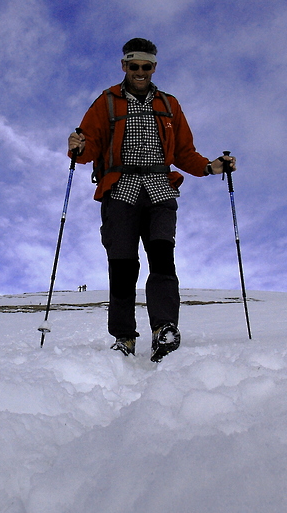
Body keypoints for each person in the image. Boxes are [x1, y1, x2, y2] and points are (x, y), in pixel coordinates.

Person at [68, 38, 235, 362]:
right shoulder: (106, 102)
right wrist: (77, 147)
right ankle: (124, 337)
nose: (140, 72)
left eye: (146, 66)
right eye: (134, 66)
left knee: (162, 258)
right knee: (123, 266)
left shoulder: (170, 104)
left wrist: (210, 167)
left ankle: (164, 329)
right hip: (120, 190)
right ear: (124, 66)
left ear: (154, 67)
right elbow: (89, 146)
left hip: (160, 189)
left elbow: (184, 151)